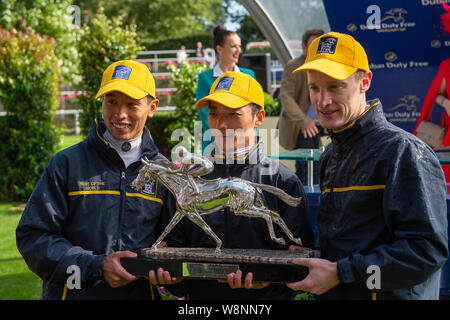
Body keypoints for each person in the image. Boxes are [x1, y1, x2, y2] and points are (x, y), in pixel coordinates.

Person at [285, 32, 448, 299]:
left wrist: (341, 272)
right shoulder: (331, 155)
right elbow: (345, 250)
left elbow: (426, 254)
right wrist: (305, 261)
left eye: (335, 86)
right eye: (314, 87)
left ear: (365, 82)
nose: (322, 101)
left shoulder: (403, 151)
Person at [16, 60, 176, 300]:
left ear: (152, 107)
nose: (120, 114)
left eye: (132, 104)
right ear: (102, 101)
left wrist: (169, 264)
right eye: (111, 101)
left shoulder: (166, 172)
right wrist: (95, 266)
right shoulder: (66, 164)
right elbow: (34, 237)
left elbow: (176, 243)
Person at [151, 72, 314, 300]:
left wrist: (266, 284)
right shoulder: (189, 179)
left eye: (233, 114)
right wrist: (174, 280)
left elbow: (301, 265)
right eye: (214, 114)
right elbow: (174, 250)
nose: (221, 124)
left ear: (259, 118)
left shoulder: (282, 181)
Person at [196, 26, 255, 153]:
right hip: (213, 144)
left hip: (243, 144)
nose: (238, 50)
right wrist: (222, 136)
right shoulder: (205, 77)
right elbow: (204, 114)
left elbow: (254, 110)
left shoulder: (248, 75)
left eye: (240, 46)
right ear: (219, 49)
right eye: (233, 46)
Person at [278, 28, 324, 185]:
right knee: (309, 168)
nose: (316, 50)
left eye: (319, 45)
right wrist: (305, 121)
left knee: (320, 166)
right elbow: (286, 96)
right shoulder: (293, 66)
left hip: (324, 122)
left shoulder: (327, 65)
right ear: (303, 47)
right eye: (312, 46)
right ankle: (306, 200)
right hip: (302, 125)